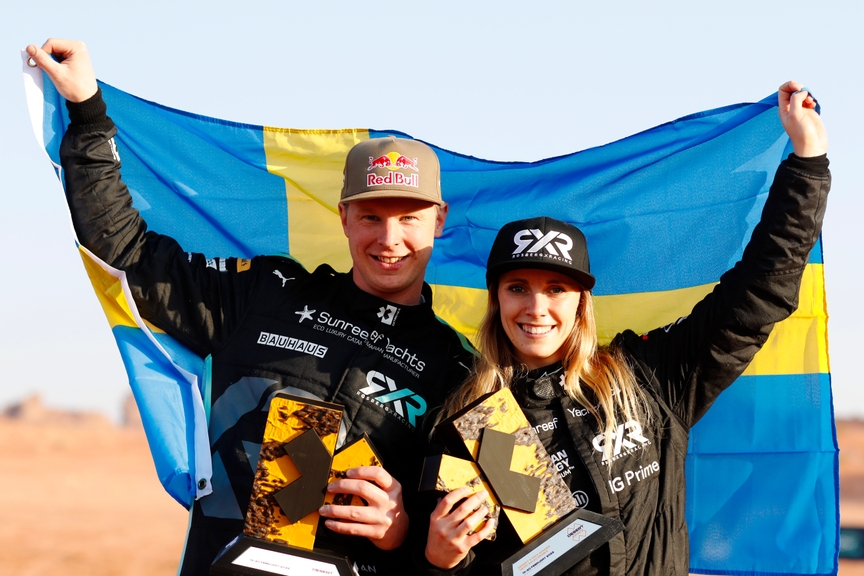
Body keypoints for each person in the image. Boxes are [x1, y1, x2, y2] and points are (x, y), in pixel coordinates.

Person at [26, 38, 475, 576]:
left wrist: (400, 531)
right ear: (343, 218)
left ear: (439, 221)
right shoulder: (268, 291)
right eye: (372, 217)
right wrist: (87, 111)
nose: (389, 238)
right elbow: (123, 251)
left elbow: (469, 548)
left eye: (409, 219)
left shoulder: (459, 370)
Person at [421, 82, 829, 575]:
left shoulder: (646, 379)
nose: (536, 307)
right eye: (517, 288)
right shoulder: (474, 419)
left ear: (581, 304)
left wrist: (807, 162)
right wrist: (442, 560)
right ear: (495, 300)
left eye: (556, 289)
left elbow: (759, 294)